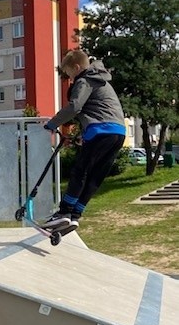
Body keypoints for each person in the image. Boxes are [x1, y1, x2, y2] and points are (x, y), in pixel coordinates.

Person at [41, 49, 125, 230]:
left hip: (101, 131)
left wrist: (52, 124)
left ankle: (64, 212)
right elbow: (101, 110)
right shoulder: (102, 81)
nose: (70, 79)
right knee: (95, 176)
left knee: (81, 171)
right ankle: (75, 215)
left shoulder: (85, 80)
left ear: (77, 67)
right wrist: (81, 135)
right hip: (118, 132)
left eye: (69, 74)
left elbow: (75, 107)